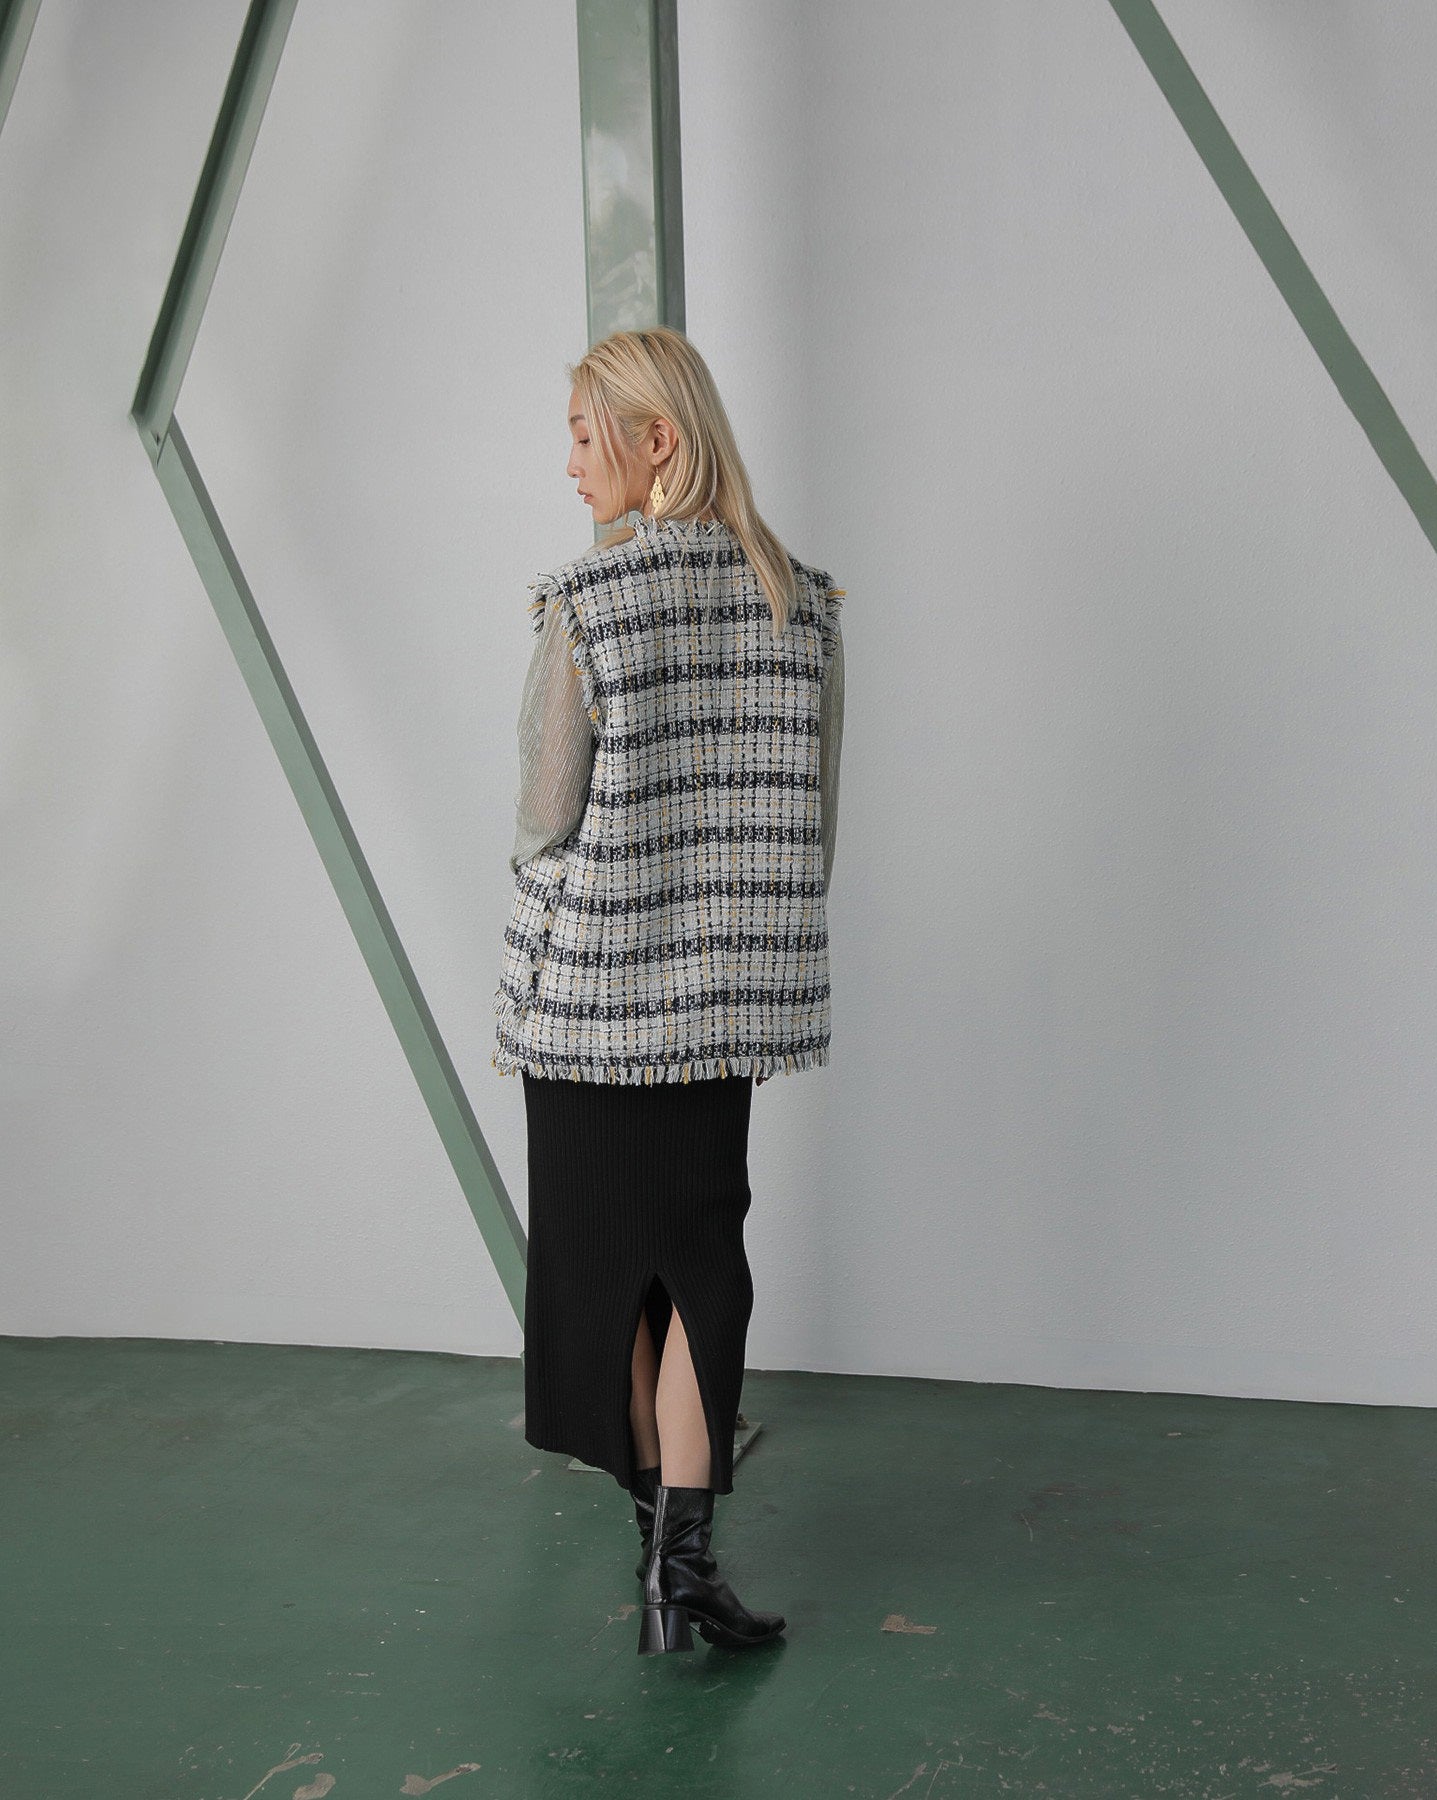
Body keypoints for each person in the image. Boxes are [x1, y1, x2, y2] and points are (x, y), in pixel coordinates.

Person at [491, 327, 845, 1656]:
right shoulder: (800, 603)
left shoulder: (590, 604)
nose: (570, 463)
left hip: (592, 1008)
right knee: (701, 1268)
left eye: (587, 435)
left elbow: (545, 813)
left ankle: (659, 1556)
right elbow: (811, 829)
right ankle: (682, 1568)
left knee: (605, 1282)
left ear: (658, 441)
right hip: (722, 1012)